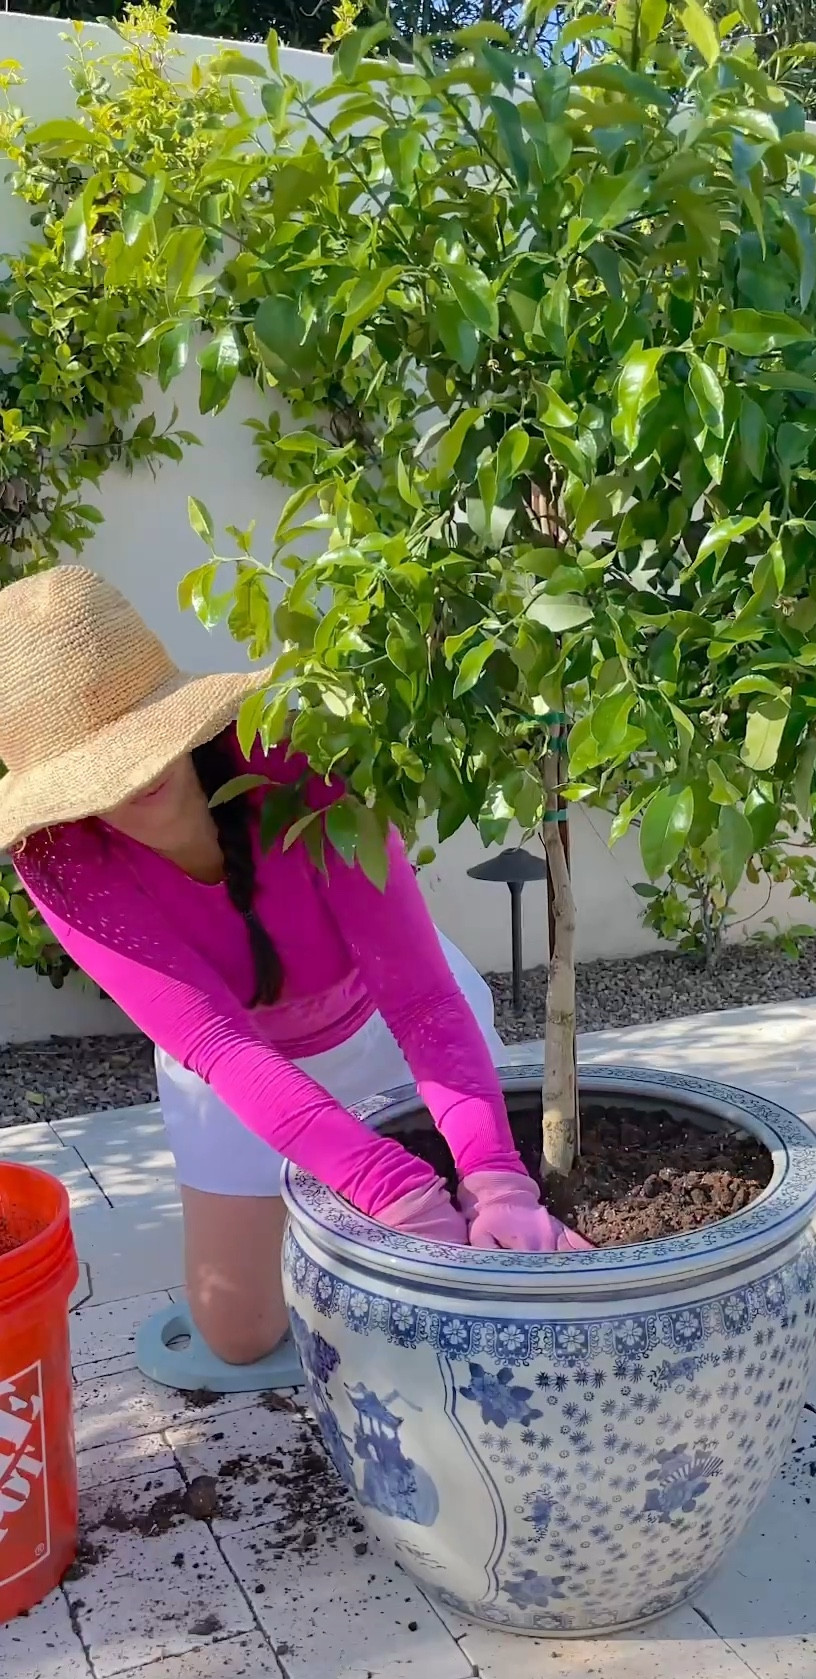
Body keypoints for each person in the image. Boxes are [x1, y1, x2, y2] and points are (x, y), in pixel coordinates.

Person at [0, 567, 586, 1392]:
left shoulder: (298, 759)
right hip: (239, 1068)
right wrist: (401, 1198)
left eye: (139, 740)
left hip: (382, 1023)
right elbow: (222, 1048)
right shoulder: (59, 859)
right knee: (238, 1335)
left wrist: (495, 1182)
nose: (132, 779)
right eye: (97, 774)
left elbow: (420, 999)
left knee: (493, 1203)